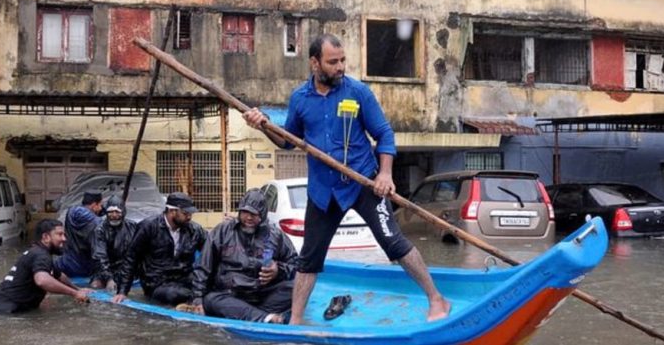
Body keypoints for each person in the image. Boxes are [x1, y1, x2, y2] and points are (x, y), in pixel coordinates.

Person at [243, 33, 451, 325]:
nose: (340, 67)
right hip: (323, 192)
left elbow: (384, 135)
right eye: (332, 62)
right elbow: (287, 141)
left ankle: (437, 299)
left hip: (362, 183)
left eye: (342, 61)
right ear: (315, 63)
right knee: (309, 259)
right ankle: (297, 321)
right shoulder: (300, 99)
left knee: (394, 243)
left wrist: (385, 174)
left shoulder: (357, 92)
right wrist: (263, 124)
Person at [187, 190, 298, 324]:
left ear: (262, 215)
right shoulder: (223, 231)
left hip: (262, 294)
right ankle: (264, 317)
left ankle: (253, 314)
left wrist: (278, 270)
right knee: (211, 300)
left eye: (254, 214)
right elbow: (203, 267)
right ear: (239, 212)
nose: (248, 218)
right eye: (245, 212)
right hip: (230, 294)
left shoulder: (275, 235)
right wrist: (197, 298)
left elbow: (296, 265)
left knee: (296, 288)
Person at [112, 192, 207, 306]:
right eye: (185, 213)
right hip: (157, 283)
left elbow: (211, 252)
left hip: (184, 279)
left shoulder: (194, 230)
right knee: (174, 295)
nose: (189, 217)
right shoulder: (148, 226)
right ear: (172, 211)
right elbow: (131, 258)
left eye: (190, 214)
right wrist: (122, 291)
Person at [0, 219, 91, 314]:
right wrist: (74, 293)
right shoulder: (41, 255)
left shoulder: (38, 252)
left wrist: (78, 289)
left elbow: (59, 275)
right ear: (46, 237)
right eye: (59, 234)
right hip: (6, 314)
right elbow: (42, 280)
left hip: (0, 310)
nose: (64, 239)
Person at [90, 194, 138, 290]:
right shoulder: (100, 230)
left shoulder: (132, 226)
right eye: (111, 212)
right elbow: (99, 257)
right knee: (96, 286)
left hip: (127, 268)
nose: (114, 215)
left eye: (117, 212)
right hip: (106, 269)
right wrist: (109, 278)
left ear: (123, 212)